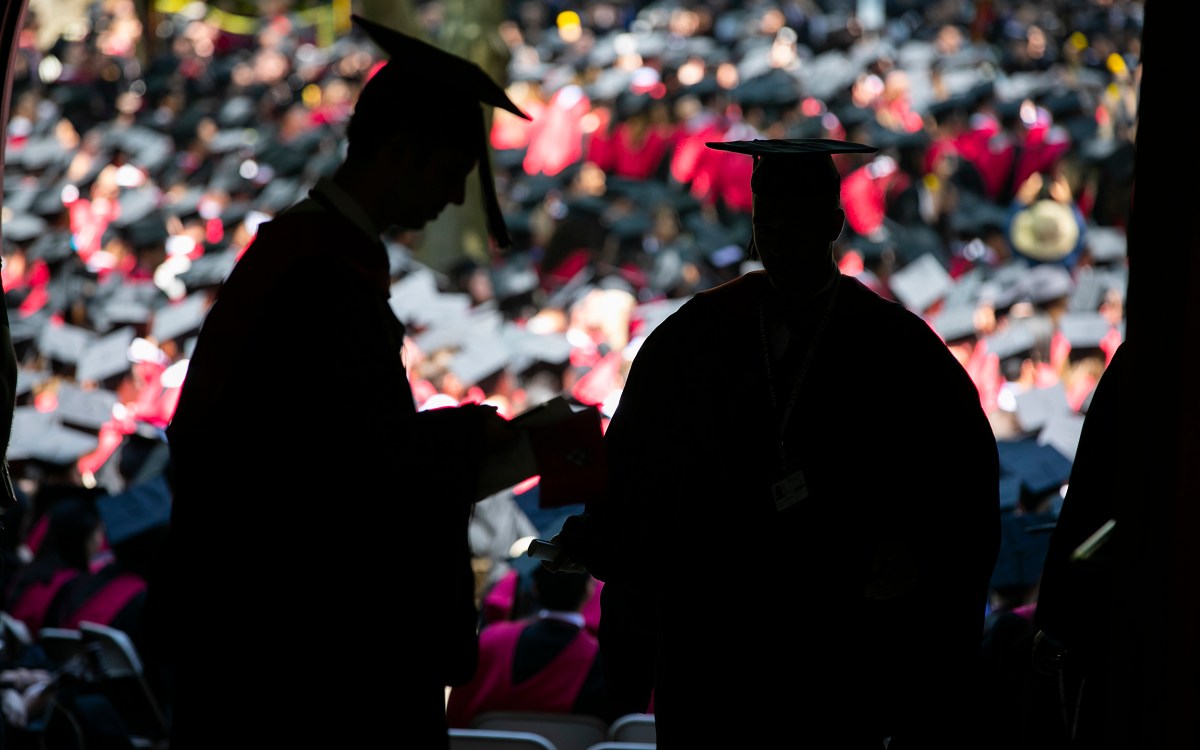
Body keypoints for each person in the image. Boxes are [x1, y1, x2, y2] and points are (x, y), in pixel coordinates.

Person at [148, 16, 543, 750]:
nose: (451, 203)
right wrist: (492, 442)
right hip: (296, 647)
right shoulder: (323, 277)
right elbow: (358, 477)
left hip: (253, 618)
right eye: (447, 176)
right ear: (403, 152)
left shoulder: (302, 250)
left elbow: (334, 443)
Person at [550, 138, 1001, 748]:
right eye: (769, 224)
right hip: (715, 646)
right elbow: (635, 478)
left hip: (838, 650)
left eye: (800, 222)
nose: (781, 241)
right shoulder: (695, 337)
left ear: (836, 224)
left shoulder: (894, 348)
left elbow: (961, 490)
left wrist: (912, 552)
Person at [445, 561, 613, 728]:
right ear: (589, 590)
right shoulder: (606, 666)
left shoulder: (488, 643)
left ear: (535, 588)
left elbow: (457, 717)